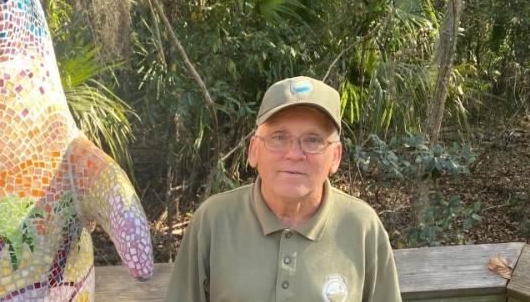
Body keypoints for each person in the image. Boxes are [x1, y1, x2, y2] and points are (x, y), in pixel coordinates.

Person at [164, 76, 401, 302]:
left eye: (313, 140)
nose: (294, 154)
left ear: (336, 156)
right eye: (278, 137)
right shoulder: (214, 221)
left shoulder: (361, 226)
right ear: (254, 150)